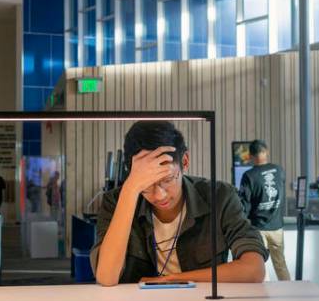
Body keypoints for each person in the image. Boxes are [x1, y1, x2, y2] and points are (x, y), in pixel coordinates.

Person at [92, 121, 267, 286]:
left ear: (184, 161)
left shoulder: (219, 197)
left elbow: (254, 269)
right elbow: (107, 277)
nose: (159, 195)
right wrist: (131, 189)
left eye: (167, 180)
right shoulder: (116, 202)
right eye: (145, 185)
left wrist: (173, 279)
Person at [239, 139, 290, 280]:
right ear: (266, 151)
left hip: (258, 228)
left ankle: (265, 298)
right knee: (280, 264)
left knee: (261, 265)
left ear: (250, 156)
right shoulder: (279, 170)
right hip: (277, 226)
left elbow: (244, 204)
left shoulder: (249, 176)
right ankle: (289, 293)